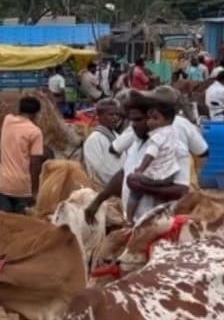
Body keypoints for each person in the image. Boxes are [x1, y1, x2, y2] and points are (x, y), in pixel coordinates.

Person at [85, 96, 191, 225]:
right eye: (131, 121)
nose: (133, 125)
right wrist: (97, 201)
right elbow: (124, 173)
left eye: (139, 120)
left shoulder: (176, 148)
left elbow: (181, 191)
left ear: (153, 119)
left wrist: (144, 187)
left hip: (160, 224)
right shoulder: (136, 144)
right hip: (134, 223)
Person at [126, 98, 182, 222]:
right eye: (149, 118)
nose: (149, 122)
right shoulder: (174, 133)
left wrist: (139, 171)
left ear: (167, 120)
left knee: (133, 183)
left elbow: (150, 155)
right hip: (168, 174)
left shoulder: (157, 136)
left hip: (156, 175)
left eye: (154, 118)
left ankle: (129, 219)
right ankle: (157, 217)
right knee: (159, 199)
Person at [0, 95, 45, 214]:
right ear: (36, 114)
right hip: (22, 188)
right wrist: (35, 191)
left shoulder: (7, 121)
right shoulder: (35, 132)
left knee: (5, 224)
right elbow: (35, 164)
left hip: (3, 184)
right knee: (21, 227)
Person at [81, 98, 125, 186]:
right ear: (99, 116)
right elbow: (99, 170)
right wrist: (118, 183)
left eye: (117, 114)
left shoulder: (119, 137)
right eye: (111, 114)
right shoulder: (94, 140)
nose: (115, 117)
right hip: (104, 188)